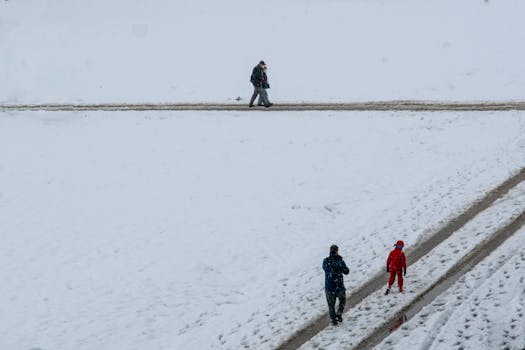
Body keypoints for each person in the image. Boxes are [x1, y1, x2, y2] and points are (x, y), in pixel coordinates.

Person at [322, 244, 349, 325]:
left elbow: (327, 270)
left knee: (331, 305)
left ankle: (334, 319)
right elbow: (346, 271)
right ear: (337, 251)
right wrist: (340, 267)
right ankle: (339, 314)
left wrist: (337, 268)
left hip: (330, 288)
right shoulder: (339, 260)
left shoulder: (326, 261)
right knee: (342, 301)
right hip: (339, 286)